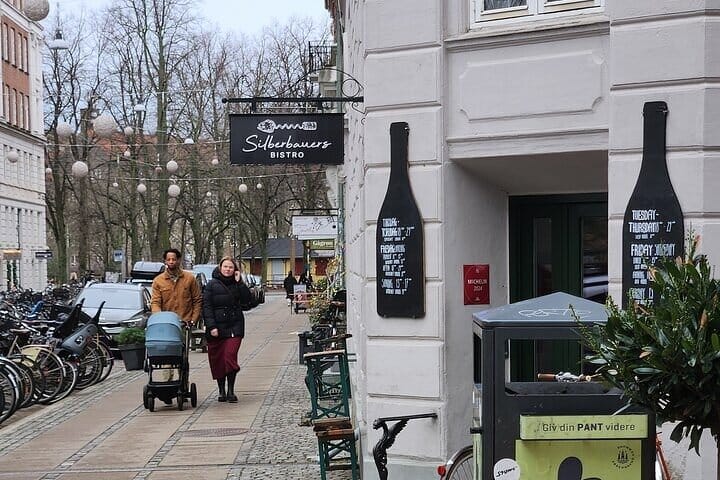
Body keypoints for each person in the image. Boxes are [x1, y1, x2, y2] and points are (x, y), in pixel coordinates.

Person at [202, 257, 253, 403]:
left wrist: (240, 282)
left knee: (230, 357)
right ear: (220, 267)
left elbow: (247, 301)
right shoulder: (211, 285)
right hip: (217, 328)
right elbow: (207, 307)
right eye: (225, 266)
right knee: (218, 360)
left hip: (234, 326)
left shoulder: (237, 284)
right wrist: (212, 326)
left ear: (235, 269)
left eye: (230, 267)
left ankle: (231, 390)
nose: (228, 269)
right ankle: (222, 390)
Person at [151, 248, 203, 325]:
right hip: (167, 323)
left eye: (173, 259)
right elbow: (155, 302)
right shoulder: (158, 281)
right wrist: (159, 318)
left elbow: (197, 300)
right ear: (165, 261)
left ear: (178, 260)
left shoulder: (189, 278)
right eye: (168, 259)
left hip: (186, 323)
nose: (171, 262)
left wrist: (193, 320)